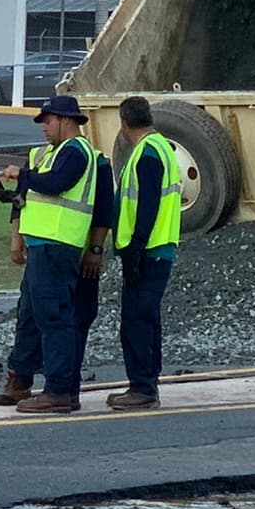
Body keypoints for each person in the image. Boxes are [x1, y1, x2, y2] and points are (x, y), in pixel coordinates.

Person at [0, 94, 100, 415]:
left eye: (48, 120)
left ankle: (59, 390)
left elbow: (57, 184)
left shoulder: (76, 151)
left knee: (54, 318)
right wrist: (18, 234)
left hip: (58, 244)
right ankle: (21, 379)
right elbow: (27, 198)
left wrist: (22, 175)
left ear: (67, 120)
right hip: (42, 244)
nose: (44, 126)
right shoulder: (49, 153)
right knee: (31, 315)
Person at [108, 96, 182, 411]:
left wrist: (135, 247)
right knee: (147, 319)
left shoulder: (147, 153)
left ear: (124, 123)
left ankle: (142, 388)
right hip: (158, 247)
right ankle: (146, 383)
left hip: (148, 250)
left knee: (136, 320)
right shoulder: (161, 147)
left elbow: (147, 204)